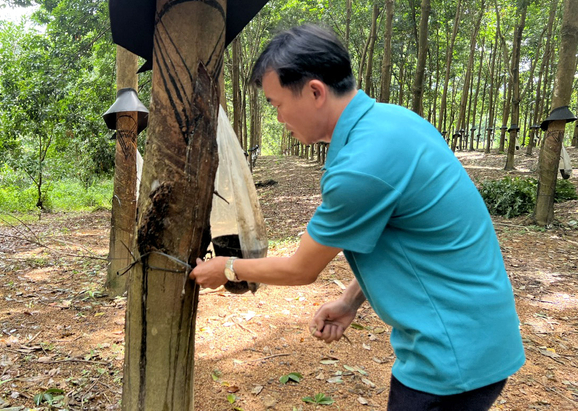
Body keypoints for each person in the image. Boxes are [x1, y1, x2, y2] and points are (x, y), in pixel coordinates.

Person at [190, 24, 525, 410]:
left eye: (277, 104)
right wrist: (351, 300)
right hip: (474, 336)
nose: (279, 117)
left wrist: (230, 268)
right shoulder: (393, 122)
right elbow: (405, 236)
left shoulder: (361, 167)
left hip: (450, 356)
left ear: (315, 91)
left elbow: (302, 268)